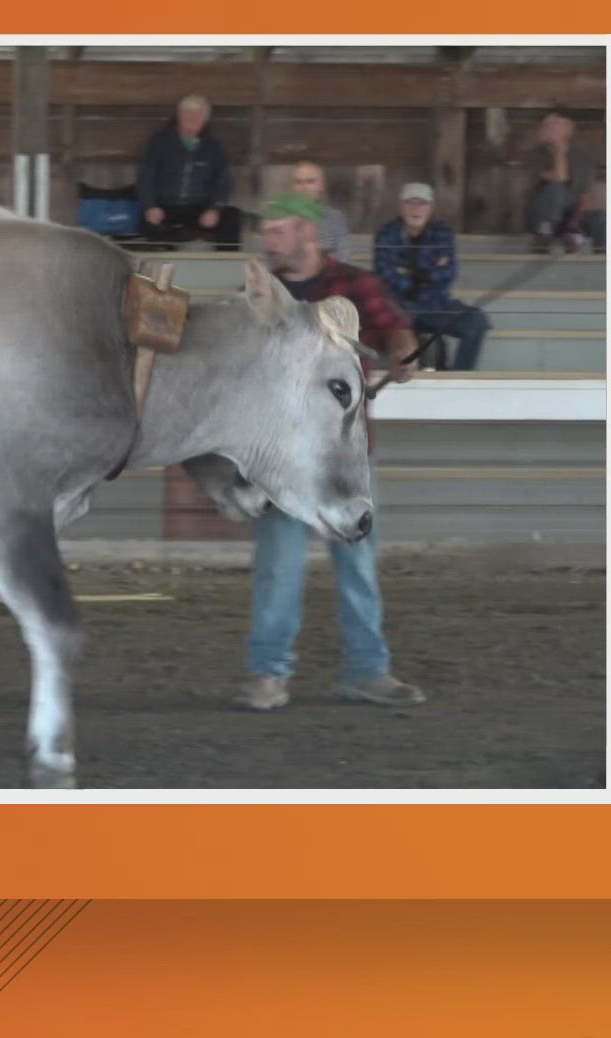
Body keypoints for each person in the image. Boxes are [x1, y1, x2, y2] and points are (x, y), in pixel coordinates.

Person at [235, 191, 427, 713]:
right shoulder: (255, 294)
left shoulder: (355, 285)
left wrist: (402, 352)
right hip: (277, 456)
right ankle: (268, 673)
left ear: (308, 235)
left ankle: (368, 670)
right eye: (267, 232)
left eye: (278, 231)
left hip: (344, 454)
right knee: (279, 566)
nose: (268, 240)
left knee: (357, 563)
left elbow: (394, 328)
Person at [374, 182, 491, 371]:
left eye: (422, 203)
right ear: (400, 206)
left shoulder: (443, 234)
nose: (416, 209)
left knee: (477, 322)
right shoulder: (386, 234)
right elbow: (386, 276)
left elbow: (447, 274)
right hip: (398, 308)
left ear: (431, 207)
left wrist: (409, 274)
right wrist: (427, 274)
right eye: (410, 203)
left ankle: (459, 380)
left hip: (435, 305)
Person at [136, 94, 242, 251]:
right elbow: (145, 177)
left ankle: (228, 268)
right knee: (149, 226)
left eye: (199, 114)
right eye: (188, 112)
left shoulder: (214, 146)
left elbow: (223, 182)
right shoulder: (159, 142)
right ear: (179, 115)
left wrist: (214, 209)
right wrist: (150, 206)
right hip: (165, 208)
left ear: (205, 119)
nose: (193, 118)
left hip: (199, 209)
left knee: (231, 218)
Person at [526, 109, 604, 254]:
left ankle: (604, 261)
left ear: (568, 129)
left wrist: (572, 227)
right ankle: (543, 241)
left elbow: (584, 196)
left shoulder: (581, 156)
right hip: (543, 217)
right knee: (554, 189)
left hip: (571, 216)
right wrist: (559, 151)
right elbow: (559, 179)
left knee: (602, 220)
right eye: (545, 125)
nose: (546, 129)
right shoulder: (536, 155)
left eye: (553, 125)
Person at [289, 160, 349, 262]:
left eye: (310, 181)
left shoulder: (335, 219)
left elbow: (343, 262)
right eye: (298, 182)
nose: (304, 188)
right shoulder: (279, 219)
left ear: (321, 185)